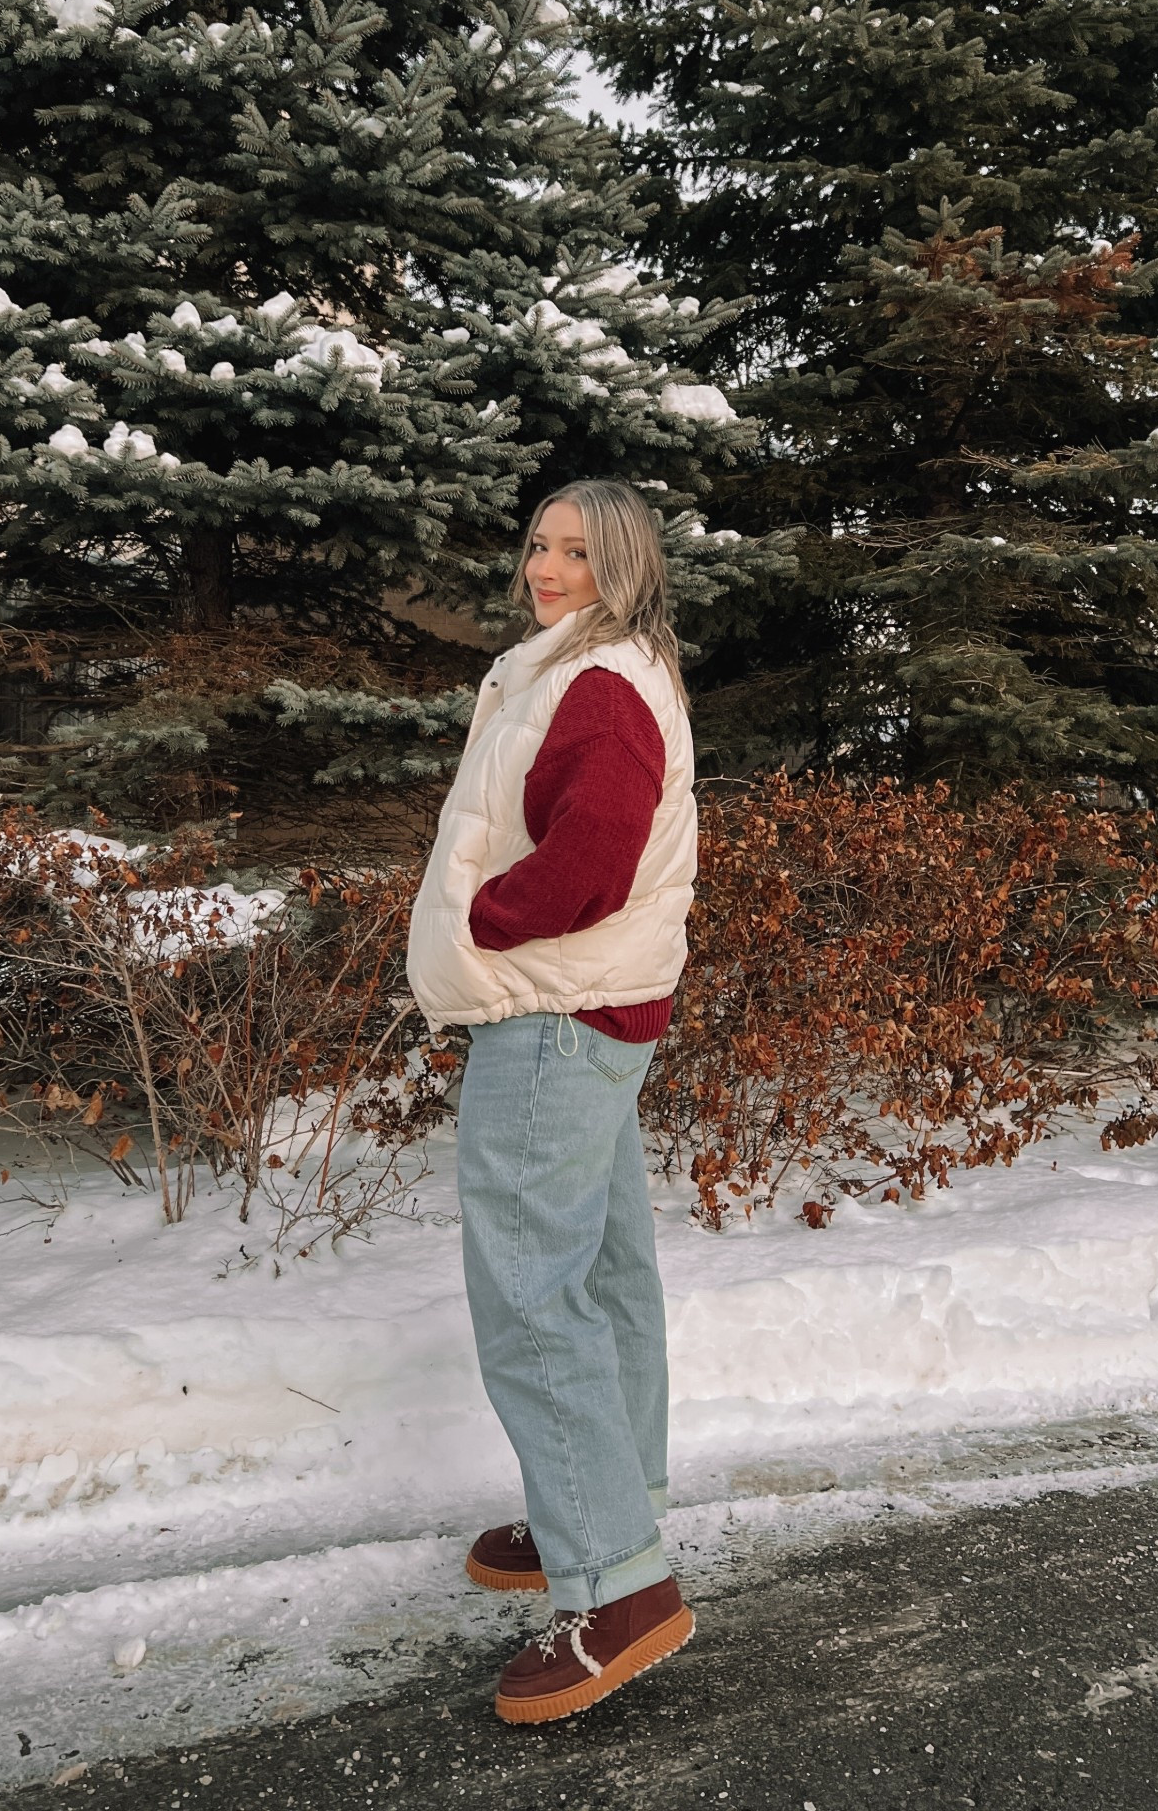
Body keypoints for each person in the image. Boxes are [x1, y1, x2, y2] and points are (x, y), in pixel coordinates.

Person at [406, 478, 699, 1725]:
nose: (547, 566)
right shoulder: (592, 665)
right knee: (606, 1271)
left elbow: (593, 854)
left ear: (621, 567)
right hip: (596, 1006)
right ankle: (606, 1503)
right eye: (539, 543)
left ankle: (620, 1586)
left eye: (578, 551)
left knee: (532, 1290)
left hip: (554, 1013)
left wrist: (478, 920)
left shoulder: (600, 681)